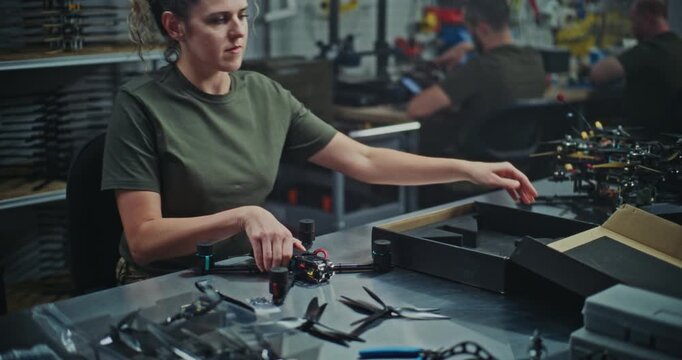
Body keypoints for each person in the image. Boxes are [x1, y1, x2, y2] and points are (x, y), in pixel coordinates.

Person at [103, 0, 537, 284]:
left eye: (242, 14)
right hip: (161, 284)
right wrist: (244, 216)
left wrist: (466, 167)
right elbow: (144, 238)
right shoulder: (141, 106)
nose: (238, 31)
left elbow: (364, 159)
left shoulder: (264, 94)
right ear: (175, 26)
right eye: (218, 20)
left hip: (242, 275)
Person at [406, 0, 547, 158]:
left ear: (482, 29)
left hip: (475, 172)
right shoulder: (534, 59)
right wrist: (467, 46)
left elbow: (416, 109)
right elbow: (501, 46)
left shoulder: (480, 68)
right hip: (521, 164)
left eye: (470, 32)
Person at [590, 0, 682, 135]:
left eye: (634, 21)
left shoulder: (649, 51)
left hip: (647, 139)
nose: (632, 28)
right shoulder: (677, 45)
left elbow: (598, 74)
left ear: (647, 18)